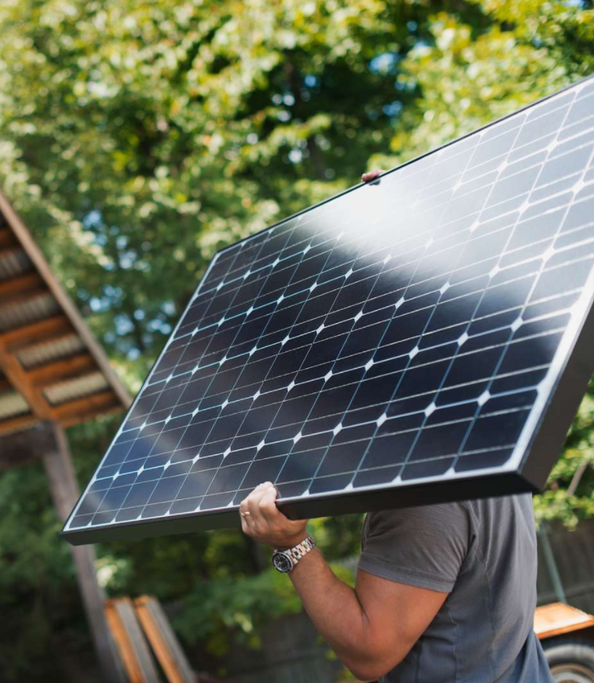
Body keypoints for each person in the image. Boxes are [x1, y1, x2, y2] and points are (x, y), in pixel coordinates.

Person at [236, 170, 555, 683]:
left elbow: (370, 650)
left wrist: (291, 546)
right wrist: (392, 213)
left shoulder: (423, 489)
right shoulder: (485, 432)